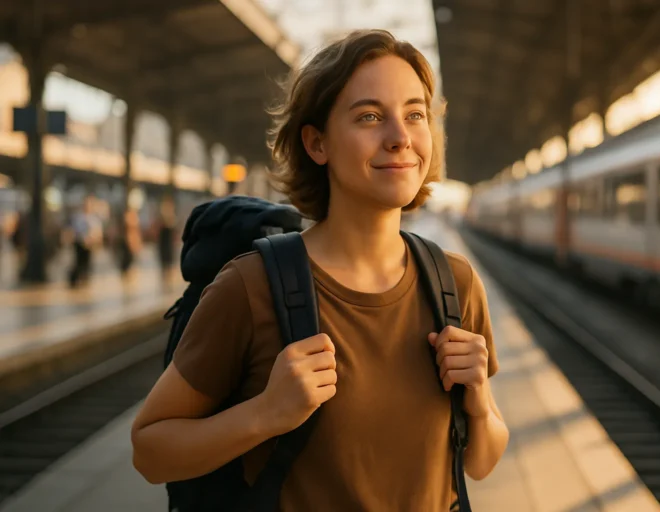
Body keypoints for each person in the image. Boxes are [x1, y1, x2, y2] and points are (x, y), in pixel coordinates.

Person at [131, 29, 509, 510]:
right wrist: (266, 413)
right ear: (316, 143)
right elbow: (150, 451)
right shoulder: (251, 287)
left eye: (415, 115)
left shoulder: (452, 284)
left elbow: (479, 463)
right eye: (370, 117)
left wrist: (477, 400)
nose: (400, 138)